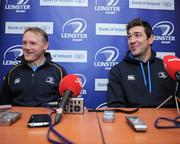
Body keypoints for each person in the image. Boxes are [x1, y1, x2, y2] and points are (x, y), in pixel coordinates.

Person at [107, 18, 176, 108]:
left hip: (166, 121)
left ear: (150, 39)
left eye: (138, 35)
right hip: (133, 121)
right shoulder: (117, 71)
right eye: (129, 37)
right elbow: (116, 107)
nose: (132, 41)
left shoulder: (168, 67)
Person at [0, 27, 67, 106]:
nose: (27, 47)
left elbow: (66, 103)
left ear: (45, 46)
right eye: (24, 43)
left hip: (48, 117)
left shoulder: (58, 71)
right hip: (19, 117)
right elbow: (4, 105)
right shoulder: (13, 71)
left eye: (33, 43)